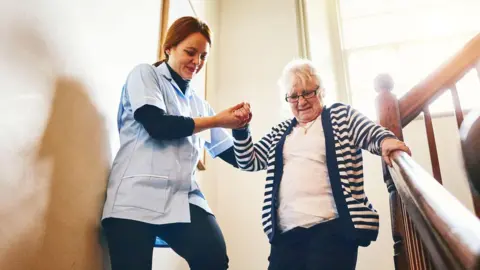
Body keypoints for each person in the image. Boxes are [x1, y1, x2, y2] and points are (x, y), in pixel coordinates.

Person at [232, 59, 411, 270]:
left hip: (332, 228)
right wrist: (241, 129)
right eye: (294, 96)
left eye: (308, 92)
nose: (301, 101)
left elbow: (370, 132)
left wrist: (386, 141)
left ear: (321, 91)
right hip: (286, 233)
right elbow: (248, 160)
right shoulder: (280, 132)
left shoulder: (340, 116)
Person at [101, 16, 248, 270]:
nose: (197, 62)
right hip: (135, 198)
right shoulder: (145, 75)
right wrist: (215, 120)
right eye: (190, 52)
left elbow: (237, 156)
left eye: (203, 56)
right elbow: (157, 125)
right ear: (169, 48)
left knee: (213, 258)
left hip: (183, 198)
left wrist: (241, 128)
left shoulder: (198, 104)